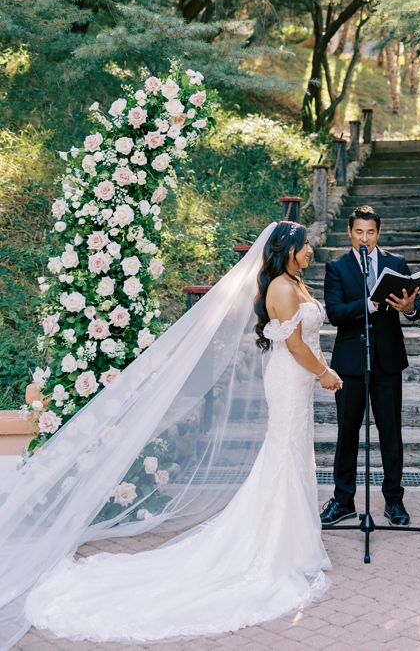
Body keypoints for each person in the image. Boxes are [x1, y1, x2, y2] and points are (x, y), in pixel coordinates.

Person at [22, 222, 343, 642]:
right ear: (288, 248)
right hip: (291, 376)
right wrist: (325, 372)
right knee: (284, 452)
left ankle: (294, 539)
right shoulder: (281, 288)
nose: (310, 253)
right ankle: (277, 544)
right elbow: (297, 345)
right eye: (305, 248)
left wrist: (317, 371)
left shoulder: (294, 281)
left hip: (297, 379)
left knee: (293, 452)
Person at [320, 204, 420, 528]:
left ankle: (394, 501)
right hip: (350, 362)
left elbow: (415, 308)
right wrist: (369, 304)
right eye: (359, 232)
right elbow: (334, 313)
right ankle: (343, 500)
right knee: (347, 433)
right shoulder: (336, 267)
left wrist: (408, 308)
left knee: (391, 433)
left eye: (371, 232)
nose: (365, 238)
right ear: (350, 232)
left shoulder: (396, 264)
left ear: (379, 232)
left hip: (388, 361)